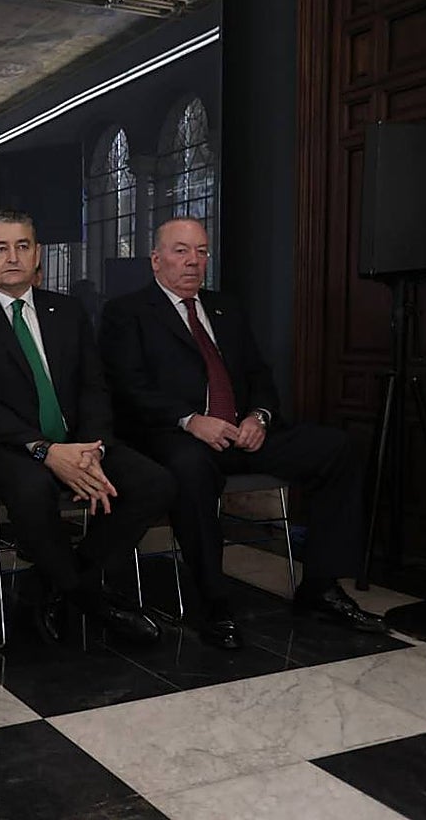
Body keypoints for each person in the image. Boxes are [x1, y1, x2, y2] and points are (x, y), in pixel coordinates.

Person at [99, 216, 387, 649]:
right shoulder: (127, 312)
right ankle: (213, 602)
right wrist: (190, 420)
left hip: (241, 433)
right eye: (181, 251)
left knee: (336, 448)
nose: (193, 261)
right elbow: (127, 387)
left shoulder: (226, 308)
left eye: (201, 252)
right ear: (156, 260)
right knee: (190, 470)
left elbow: (259, 374)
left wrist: (260, 417)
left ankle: (321, 587)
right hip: (175, 436)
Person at [0, 210, 174, 647]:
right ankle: (90, 599)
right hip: (3, 447)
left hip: (76, 442)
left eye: (22, 246)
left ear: (37, 255)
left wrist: (93, 451)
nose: (13, 257)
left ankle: (52, 581)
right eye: (0, 248)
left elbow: (93, 387)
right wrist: (45, 451)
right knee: (34, 487)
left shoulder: (67, 311)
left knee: (153, 482)